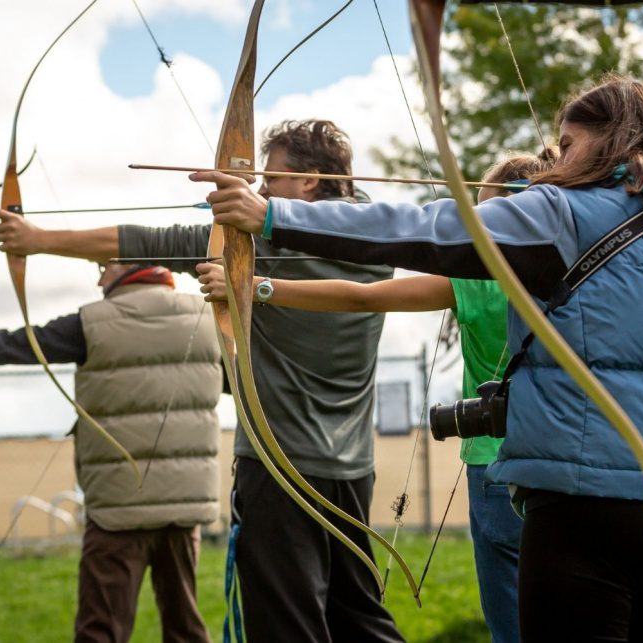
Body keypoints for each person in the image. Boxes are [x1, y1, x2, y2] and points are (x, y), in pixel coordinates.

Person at [195, 75, 643, 642]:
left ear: (607, 143)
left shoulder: (562, 213)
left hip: (587, 500)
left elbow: (422, 227)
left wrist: (275, 217)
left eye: (568, 144)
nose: (556, 160)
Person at [0, 120, 405, 642]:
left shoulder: (260, 249)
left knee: (286, 625)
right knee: (359, 617)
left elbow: (149, 241)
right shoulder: (381, 239)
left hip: (279, 470)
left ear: (311, 180)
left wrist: (37, 239)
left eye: (270, 178)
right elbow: (157, 240)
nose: (260, 190)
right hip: (353, 469)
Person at [198, 151, 555, 643]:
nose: (481, 235)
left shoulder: (482, 278)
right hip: (568, 465)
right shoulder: (584, 269)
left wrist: (255, 286)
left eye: (487, 215)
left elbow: (360, 298)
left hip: (497, 466)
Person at [0, 262, 222, 643]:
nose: (99, 279)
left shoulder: (93, 322)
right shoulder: (207, 319)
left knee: (101, 631)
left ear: (130, 263)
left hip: (118, 508)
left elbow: (9, 344)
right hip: (185, 506)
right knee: (186, 629)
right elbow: (239, 382)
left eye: (104, 267)